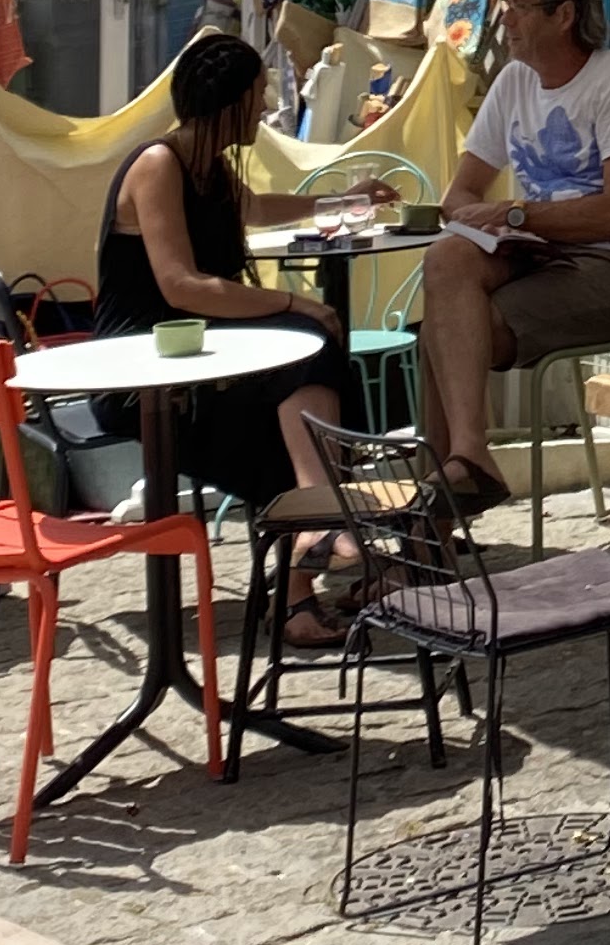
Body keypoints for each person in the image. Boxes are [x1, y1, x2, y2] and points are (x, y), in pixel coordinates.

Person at [93, 31, 389, 637]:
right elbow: (182, 286)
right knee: (301, 362)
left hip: (201, 356)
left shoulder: (209, 167)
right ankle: (319, 536)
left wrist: (340, 200)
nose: (265, 107)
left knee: (306, 372)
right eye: (258, 95)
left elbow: (254, 209)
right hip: (145, 375)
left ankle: (308, 569)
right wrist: (295, 301)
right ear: (228, 103)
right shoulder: (159, 165)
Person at [420, 0, 610, 510]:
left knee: (442, 335)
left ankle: (435, 527)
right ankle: (469, 457)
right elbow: (458, 196)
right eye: (505, 5)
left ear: (564, 15)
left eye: (519, 7)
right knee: (446, 260)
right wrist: (487, 224)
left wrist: (514, 215)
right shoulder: (514, 82)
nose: (505, 20)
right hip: (545, 255)